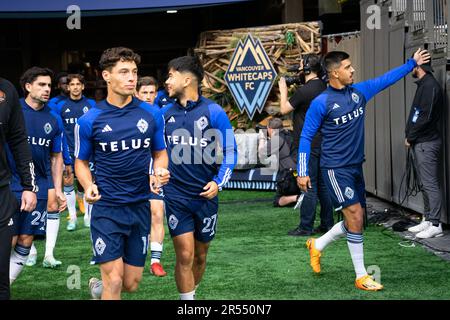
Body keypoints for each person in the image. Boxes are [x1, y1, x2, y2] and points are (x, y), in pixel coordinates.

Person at [297, 48, 430, 291]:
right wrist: (303, 171)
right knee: (356, 215)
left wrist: (412, 63)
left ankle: (317, 245)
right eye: (348, 67)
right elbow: (305, 137)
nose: (353, 70)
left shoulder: (359, 93)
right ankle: (361, 276)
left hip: (356, 165)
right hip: (335, 169)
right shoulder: (321, 103)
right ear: (335, 73)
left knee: (355, 220)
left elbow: (385, 80)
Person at [75, 47, 170, 300]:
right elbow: (80, 162)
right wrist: (87, 186)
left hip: (140, 206)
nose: (132, 78)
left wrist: (160, 170)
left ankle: (99, 289)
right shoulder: (90, 119)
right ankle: (107, 287)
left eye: (135, 72)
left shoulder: (151, 113)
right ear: (106, 76)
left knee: (131, 283)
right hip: (107, 208)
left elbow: (160, 153)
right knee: (115, 281)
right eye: (124, 72)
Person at [162, 55, 237, 300]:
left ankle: (190, 294)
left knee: (200, 255)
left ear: (187, 79)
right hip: (175, 195)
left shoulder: (213, 112)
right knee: (185, 255)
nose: (167, 81)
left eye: (171, 75)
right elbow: (153, 152)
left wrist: (218, 182)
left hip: (205, 196)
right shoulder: (163, 115)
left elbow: (230, 151)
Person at [8, 66, 66, 283]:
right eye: (41, 85)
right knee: (9, 239)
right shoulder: (12, 111)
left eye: (49, 85)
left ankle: (5, 286)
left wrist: (58, 189)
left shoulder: (54, 118)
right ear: (27, 86)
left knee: (26, 239)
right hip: (11, 184)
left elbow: (56, 157)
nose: (47, 89)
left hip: (39, 186)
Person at [278, 54, 334, 236]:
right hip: (323, 142)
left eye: (302, 67)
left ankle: (305, 227)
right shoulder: (323, 87)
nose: (299, 70)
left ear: (308, 69)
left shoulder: (305, 91)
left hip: (308, 144)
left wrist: (283, 89)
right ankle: (327, 224)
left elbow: (284, 109)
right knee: (323, 186)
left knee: (308, 185)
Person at [0, 77, 37, 300]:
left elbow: (18, 139)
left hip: (2, 191)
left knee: (1, 273)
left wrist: (29, 186)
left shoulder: (6, 89)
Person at [405, 58, 445, 239]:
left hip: (426, 142)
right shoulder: (424, 85)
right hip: (421, 142)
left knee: (430, 184)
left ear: (418, 66)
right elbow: (418, 115)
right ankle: (428, 219)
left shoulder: (430, 86)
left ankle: (436, 224)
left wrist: (411, 136)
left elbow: (425, 117)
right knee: (424, 184)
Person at [51, 74, 96, 231]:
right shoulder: (60, 106)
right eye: (72, 84)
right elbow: (59, 131)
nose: (76, 87)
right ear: (68, 87)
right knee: (69, 183)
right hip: (69, 150)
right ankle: (73, 217)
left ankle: (88, 217)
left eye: (79, 84)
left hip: (87, 151)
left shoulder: (91, 104)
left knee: (87, 183)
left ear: (83, 87)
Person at [135, 76, 167, 277]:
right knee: (136, 218)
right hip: (132, 176)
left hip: (153, 174)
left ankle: (155, 261)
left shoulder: (158, 114)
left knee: (157, 212)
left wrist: (159, 171)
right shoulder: (129, 112)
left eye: (151, 92)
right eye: (144, 92)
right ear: (136, 93)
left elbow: (160, 150)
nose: (148, 96)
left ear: (156, 94)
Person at [258, 117, 299, 207]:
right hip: (300, 174)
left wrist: (261, 138)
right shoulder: (290, 134)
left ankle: (297, 198)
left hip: (288, 176)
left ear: (270, 129)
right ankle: (301, 196)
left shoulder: (277, 139)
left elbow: (261, 154)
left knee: (277, 201)